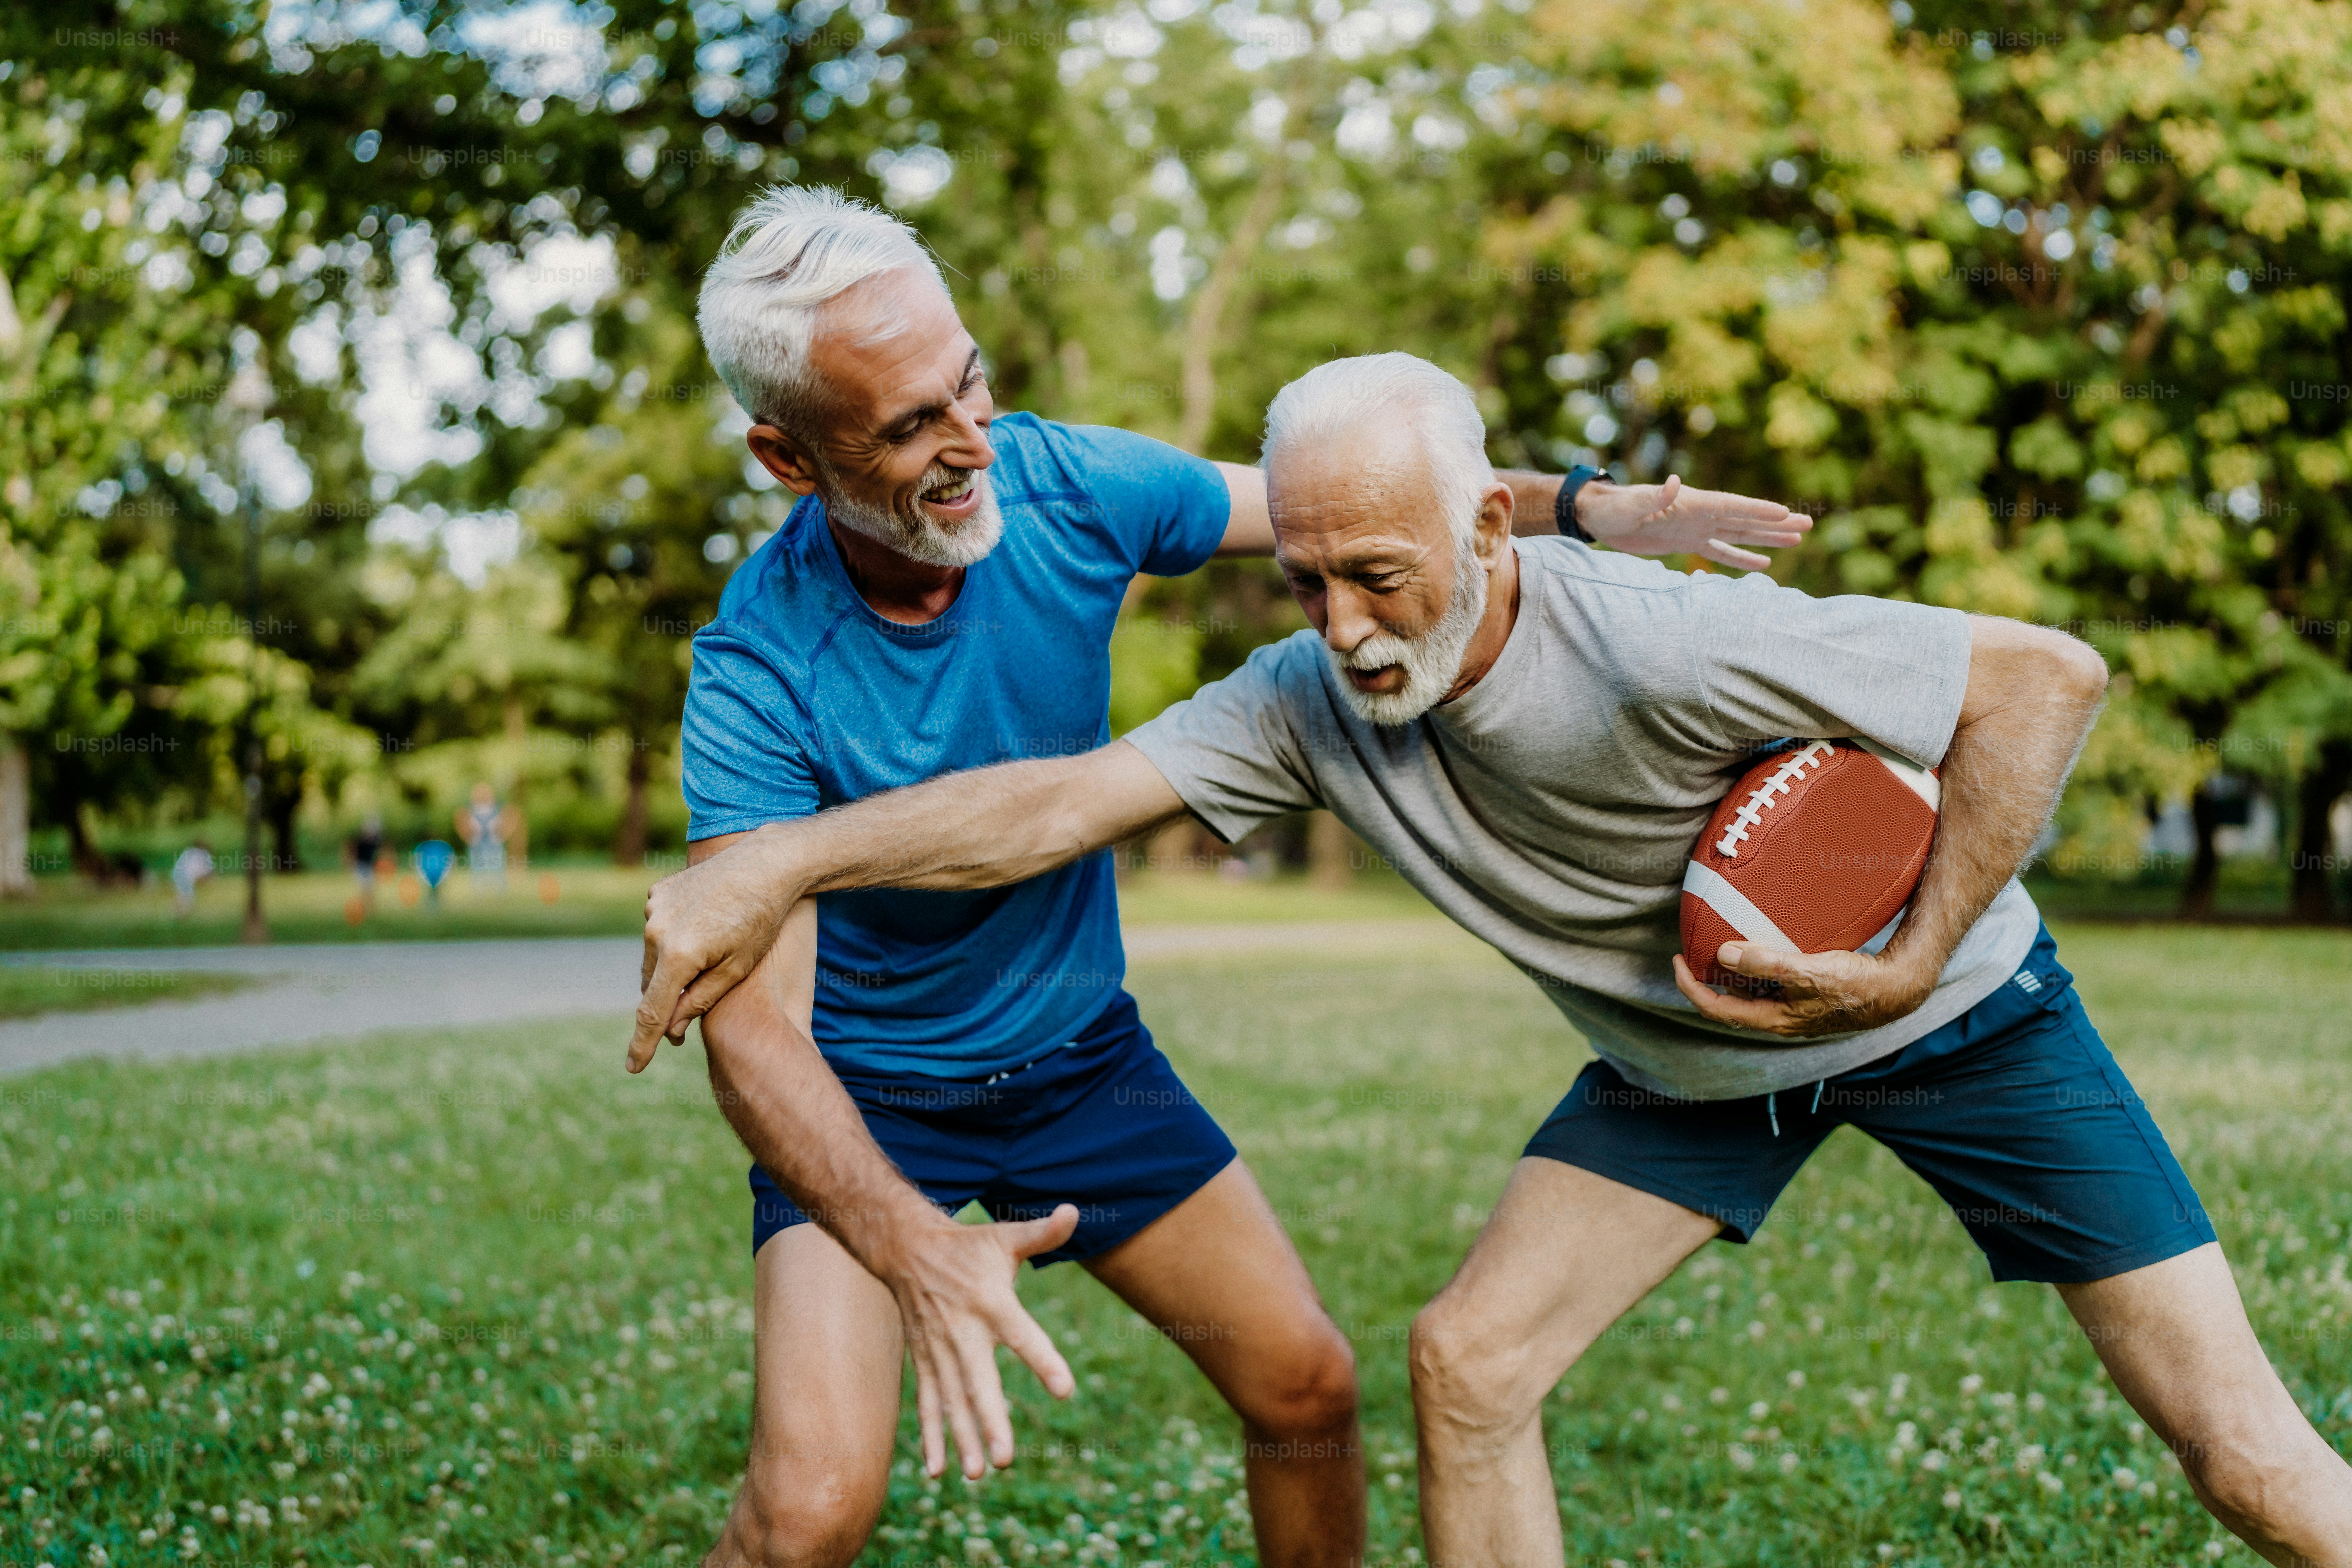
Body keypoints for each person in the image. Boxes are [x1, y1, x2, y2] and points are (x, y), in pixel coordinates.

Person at [633, 353, 2352, 1567]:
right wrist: (780, 856)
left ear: (1487, 532)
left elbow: (2040, 676)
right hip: (1695, 1054)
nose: (1341, 627)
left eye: (1378, 577)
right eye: (1303, 581)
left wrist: (1908, 959)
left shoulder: (1669, 641)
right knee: (1469, 1364)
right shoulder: (1307, 698)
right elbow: (1055, 805)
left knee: (2254, 1465)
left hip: (1967, 1020)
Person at [626, 188, 1817, 1568]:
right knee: (809, 1511)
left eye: (970, 385)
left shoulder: (1066, 484)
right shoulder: (758, 668)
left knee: (1307, 1389)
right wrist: (908, 1241)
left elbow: (1358, 499)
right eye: (908, 428)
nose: (971, 447)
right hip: (868, 1099)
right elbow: (756, 1026)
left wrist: (1597, 510)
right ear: (788, 455)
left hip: (1082, 1065)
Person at [456, 782, 509, 892]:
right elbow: (462, 821)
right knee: (477, 867)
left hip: (494, 843)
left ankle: (499, 889)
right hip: (477, 843)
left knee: (497, 866)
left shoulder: (497, 809)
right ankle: (478, 889)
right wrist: (469, 836)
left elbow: (508, 819)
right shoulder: (471, 810)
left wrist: (501, 834)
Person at [349, 814, 385, 908]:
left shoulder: (376, 841)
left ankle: (369, 906)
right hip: (361, 866)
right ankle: (364, 906)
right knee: (364, 887)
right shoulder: (361, 841)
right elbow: (354, 851)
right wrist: (352, 863)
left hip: (369, 866)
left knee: (370, 888)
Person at [169, 840, 213, 917]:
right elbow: (206, 872)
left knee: (183, 895)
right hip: (185, 877)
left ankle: (179, 913)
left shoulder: (190, 852)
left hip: (177, 874)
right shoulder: (203, 855)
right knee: (188, 897)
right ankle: (181, 914)